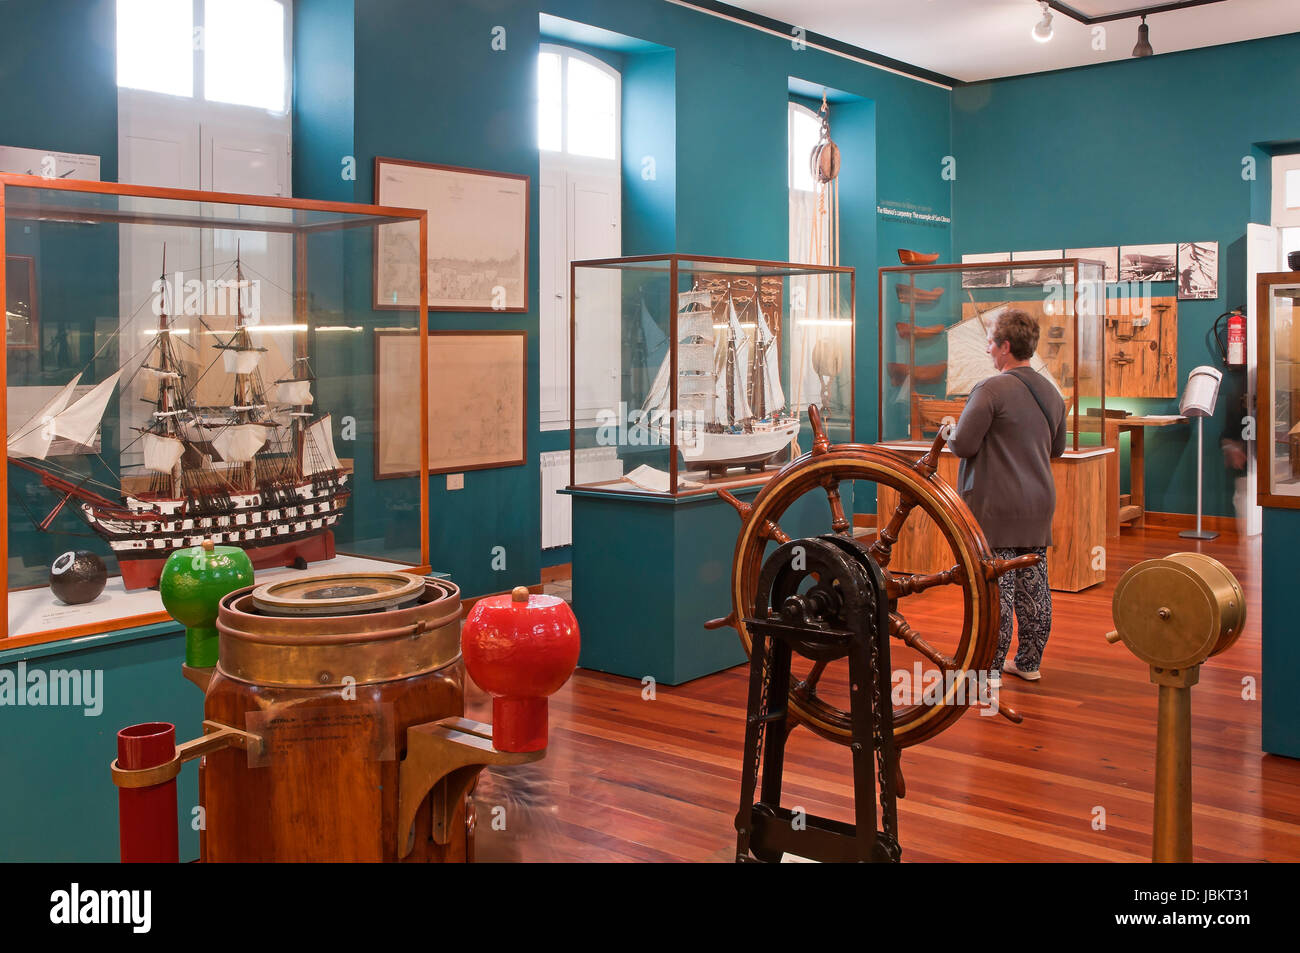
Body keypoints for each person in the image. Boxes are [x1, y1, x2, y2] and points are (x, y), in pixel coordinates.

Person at [947, 308, 1066, 685]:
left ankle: (991, 669)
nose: (987, 351)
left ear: (1006, 347)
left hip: (994, 505)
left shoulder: (990, 389)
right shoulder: (1052, 392)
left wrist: (948, 429)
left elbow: (964, 446)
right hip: (1038, 503)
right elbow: (1057, 449)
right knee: (1034, 583)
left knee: (997, 588)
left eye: (990, 344)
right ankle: (1029, 662)